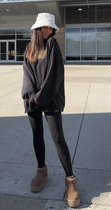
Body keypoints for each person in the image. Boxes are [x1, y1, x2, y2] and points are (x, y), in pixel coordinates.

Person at [21, 12, 80, 208]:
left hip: (50, 99)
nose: (47, 30)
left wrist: (40, 96)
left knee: (57, 138)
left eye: (49, 27)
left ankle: (70, 180)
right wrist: (30, 96)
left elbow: (55, 74)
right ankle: (41, 171)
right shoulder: (29, 48)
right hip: (33, 101)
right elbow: (27, 74)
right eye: (43, 27)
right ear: (37, 29)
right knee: (37, 136)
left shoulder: (52, 45)